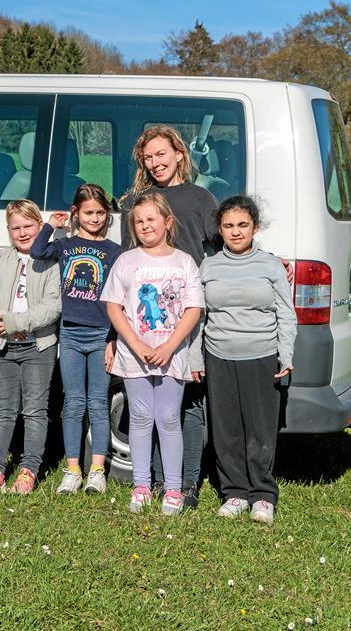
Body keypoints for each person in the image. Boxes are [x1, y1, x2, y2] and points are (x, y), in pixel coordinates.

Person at [119, 126, 218, 508]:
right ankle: (154, 482)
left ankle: (184, 483)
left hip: (185, 315)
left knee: (186, 401)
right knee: (148, 406)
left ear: (179, 153)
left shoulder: (199, 198)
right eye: (148, 157)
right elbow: (125, 273)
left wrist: (268, 257)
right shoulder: (136, 203)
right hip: (144, 322)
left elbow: (225, 240)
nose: (156, 163)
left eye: (162, 154)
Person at [103, 193, 204, 515]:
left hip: (172, 354)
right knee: (142, 418)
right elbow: (113, 306)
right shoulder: (127, 261)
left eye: (151, 219)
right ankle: (142, 485)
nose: (146, 225)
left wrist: (169, 346)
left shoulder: (184, 262)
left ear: (167, 223)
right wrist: (137, 345)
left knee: (169, 418)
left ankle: (173, 489)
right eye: (139, 221)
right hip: (135, 356)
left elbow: (193, 309)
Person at [197, 196, 296, 525]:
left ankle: (263, 495)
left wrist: (286, 353)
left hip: (262, 355)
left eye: (243, 225)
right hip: (219, 356)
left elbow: (286, 313)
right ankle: (235, 492)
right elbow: (198, 317)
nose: (236, 232)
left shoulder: (270, 265)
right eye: (228, 226)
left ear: (255, 227)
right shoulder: (208, 265)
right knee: (226, 429)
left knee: (260, 428)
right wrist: (196, 357)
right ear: (220, 229)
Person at [30, 183, 121, 495]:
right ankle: (72, 470)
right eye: (88, 213)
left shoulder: (114, 251)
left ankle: (97, 470)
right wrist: (51, 226)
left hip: (100, 335)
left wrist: (113, 338)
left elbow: (118, 299)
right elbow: (37, 251)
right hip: (69, 333)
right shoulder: (65, 245)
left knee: (98, 403)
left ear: (107, 216)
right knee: (72, 404)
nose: (94, 218)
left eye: (99, 213)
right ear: (77, 214)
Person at [0, 199, 61, 494]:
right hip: (2, 345)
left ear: (40, 226)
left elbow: (53, 305)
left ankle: (28, 469)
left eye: (28, 226)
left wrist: (17, 322)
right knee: (4, 410)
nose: (23, 233)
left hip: (38, 345)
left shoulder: (51, 262)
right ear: (8, 231)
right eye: (16, 228)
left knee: (35, 409)